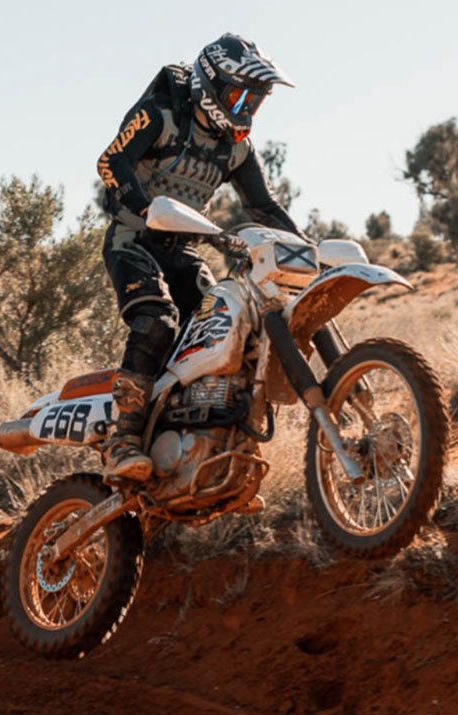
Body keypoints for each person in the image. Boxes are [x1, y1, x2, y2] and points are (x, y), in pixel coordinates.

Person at [96, 33, 305, 483]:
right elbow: (112, 161)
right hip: (132, 241)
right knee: (157, 321)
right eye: (239, 94)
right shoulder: (161, 115)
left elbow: (263, 206)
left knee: (222, 332)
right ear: (211, 85)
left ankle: (202, 438)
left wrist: (304, 247)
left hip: (184, 250)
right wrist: (145, 209)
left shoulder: (237, 147)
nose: (247, 106)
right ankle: (123, 440)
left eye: (256, 99)